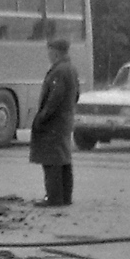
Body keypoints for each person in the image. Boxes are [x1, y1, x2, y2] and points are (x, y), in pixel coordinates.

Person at [31, 38, 79, 207]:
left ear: (56, 52)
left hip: (54, 123)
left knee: (52, 161)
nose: (48, 54)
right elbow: (76, 95)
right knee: (64, 159)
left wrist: (42, 117)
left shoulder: (59, 71)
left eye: (49, 51)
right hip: (65, 120)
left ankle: (54, 198)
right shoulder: (71, 69)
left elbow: (54, 99)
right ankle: (66, 197)